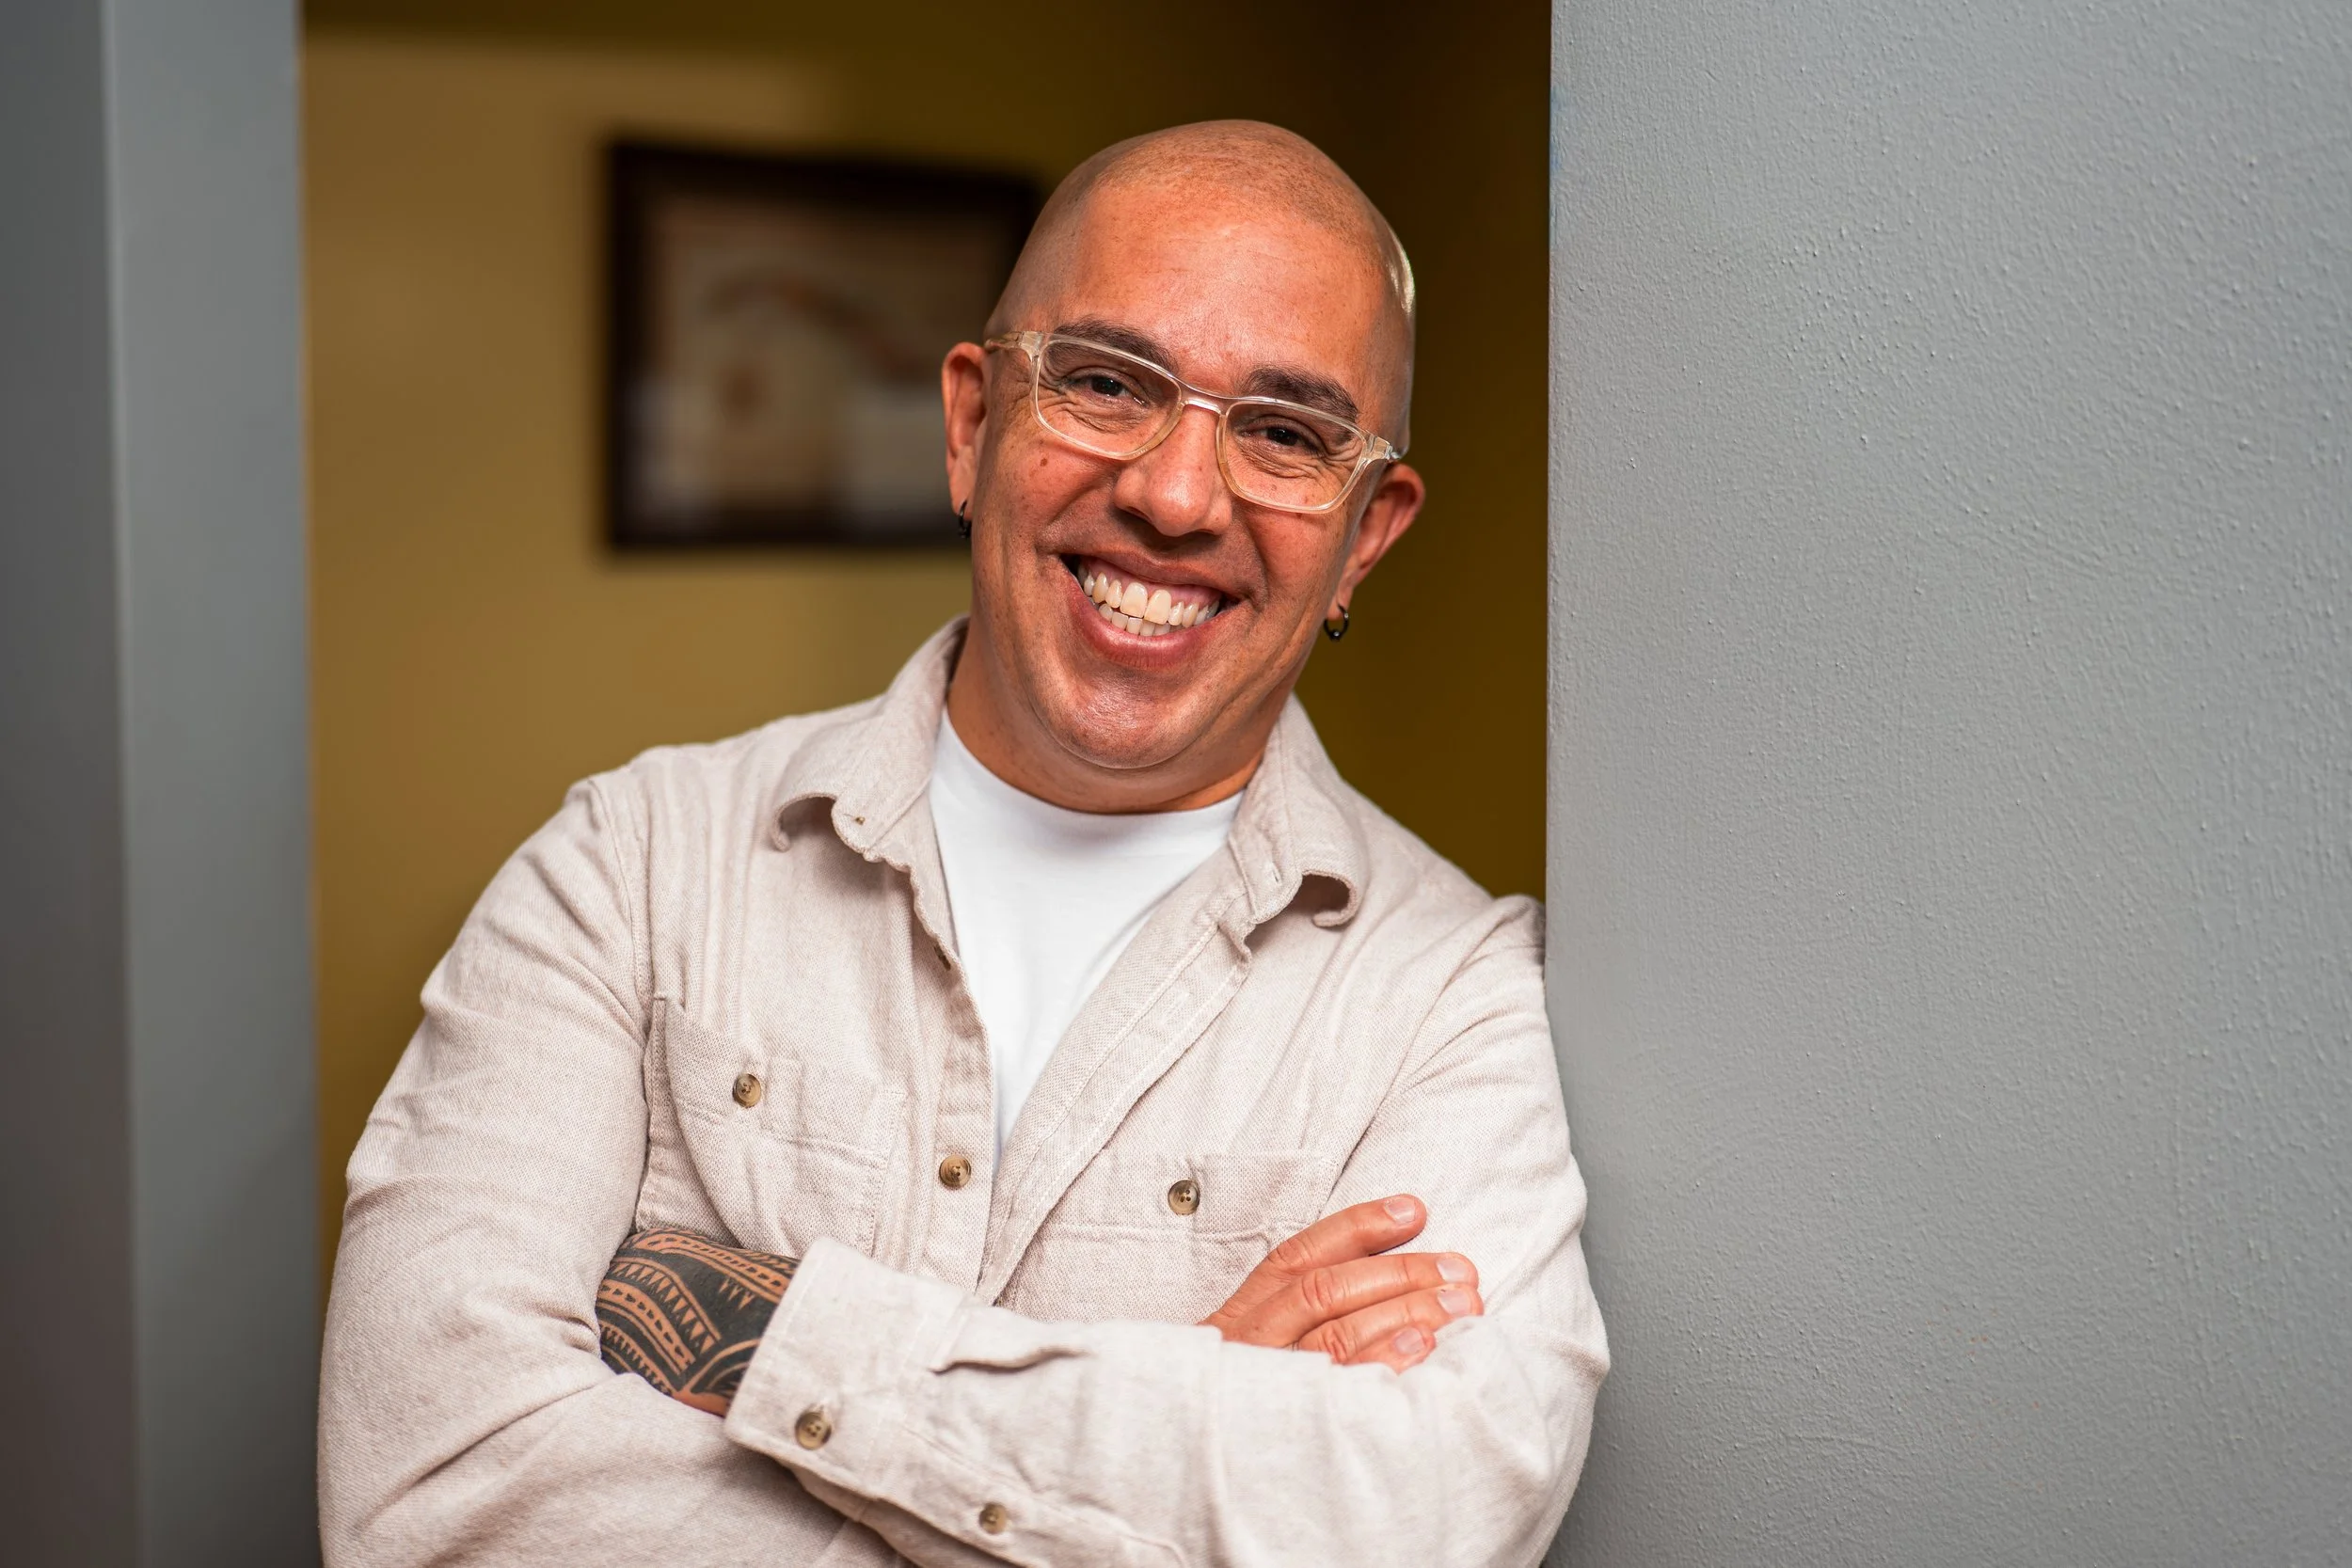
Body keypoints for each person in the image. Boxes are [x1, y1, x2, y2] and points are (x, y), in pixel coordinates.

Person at [320, 119, 1607, 1567]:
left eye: (1288, 434)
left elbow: (1413, 1518)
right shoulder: (630, 865)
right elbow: (430, 1486)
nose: (1178, 497)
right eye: (1110, 385)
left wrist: (765, 1332)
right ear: (971, 422)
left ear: (1368, 532)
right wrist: (1180, 1409)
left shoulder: (1460, 993)